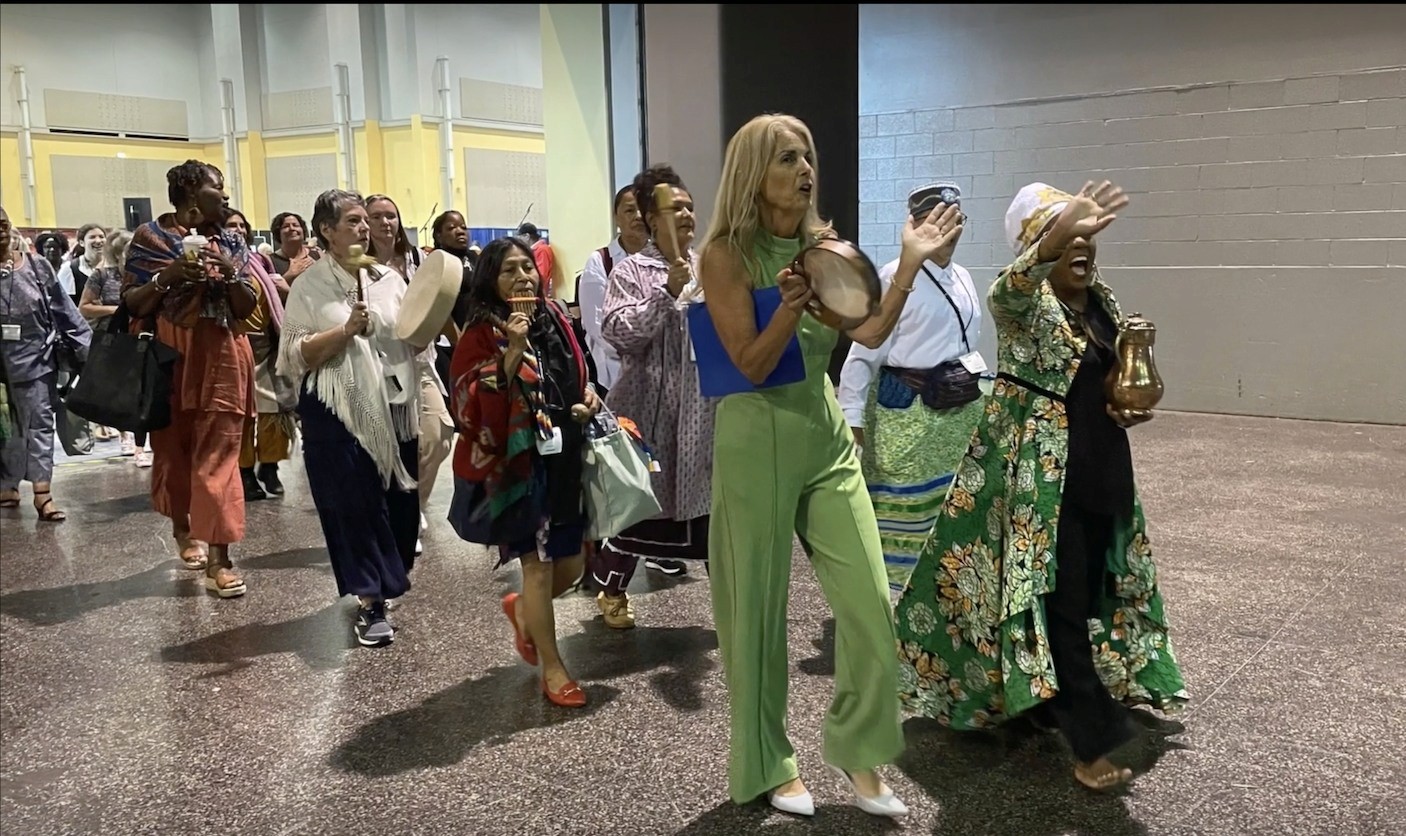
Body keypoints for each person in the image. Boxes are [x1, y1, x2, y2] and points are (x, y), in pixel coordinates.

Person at [697, 113, 961, 818]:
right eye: (787, 159)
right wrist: (787, 310)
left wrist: (904, 264)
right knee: (754, 613)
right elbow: (750, 365)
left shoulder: (826, 247)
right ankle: (767, 763)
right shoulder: (725, 254)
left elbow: (869, 329)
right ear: (756, 173)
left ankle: (859, 750)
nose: (804, 169)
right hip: (755, 436)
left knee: (873, 604)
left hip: (821, 436)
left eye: (808, 155)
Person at [893, 181, 1189, 791]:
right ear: (1038, 247)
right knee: (1060, 599)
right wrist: (1063, 227)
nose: (1082, 245)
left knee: (1090, 592)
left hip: (1101, 465)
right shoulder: (1019, 301)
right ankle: (1091, 740)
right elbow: (1018, 280)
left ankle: (1043, 698)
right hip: (1039, 485)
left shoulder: (1098, 301)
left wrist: (1125, 403)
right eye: (1065, 235)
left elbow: (1105, 376)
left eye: (1087, 235)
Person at [449, 236, 602, 707]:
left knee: (574, 565)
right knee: (537, 569)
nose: (522, 278)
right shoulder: (480, 332)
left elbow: (582, 367)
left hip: (565, 457)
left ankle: (523, 616)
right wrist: (511, 352)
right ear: (491, 283)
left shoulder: (555, 315)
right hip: (516, 468)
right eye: (508, 271)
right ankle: (553, 670)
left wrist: (590, 393)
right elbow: (467, 405)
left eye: (526, 269)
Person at [277, 189, 422, 647]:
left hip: (395, 405)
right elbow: (295, 354)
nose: (365, 229)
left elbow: (415, 338)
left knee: (400, 507)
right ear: (327, 231)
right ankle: (369, 600)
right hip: (336, 411)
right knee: (353, 508)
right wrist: (344, 331)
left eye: (366, 221)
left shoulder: (389, 279)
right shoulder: (309, 285)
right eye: (354, 222)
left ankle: (387, 580)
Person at [837, 184, 986, 593]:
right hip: (906, 416)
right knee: (902, 514)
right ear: (916, 225)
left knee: (949, 511)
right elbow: (862, 355)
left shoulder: (966, 278)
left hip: (957, 415)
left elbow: (968, 346)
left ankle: (943, 596)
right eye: (938, 221)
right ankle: (893, 603)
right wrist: (852, 424)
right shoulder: (892, 277)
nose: (949, 232)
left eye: (956, 222)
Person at [122, 160, 257, 597]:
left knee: (218, 459)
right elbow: (134, 303)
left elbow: (245, 306)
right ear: (191, 195)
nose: (227, 196)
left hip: (221, 351)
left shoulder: (232, 240)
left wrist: (230, 271)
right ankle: (184, 529)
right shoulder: (150, 239)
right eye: (219, 189)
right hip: (169, 352)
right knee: (175, 454)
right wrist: (170, 275)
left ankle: (220, 558)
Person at [591, 164, 713, 628]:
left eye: (689, 207)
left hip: (704, 414)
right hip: (649, 413)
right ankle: (612, 589)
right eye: (673, 208)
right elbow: (620, 334)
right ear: (648, 217)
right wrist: (666, 292)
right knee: (642, 509)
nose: (685, 216)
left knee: (710, 513)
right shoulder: (631, 271)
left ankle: (731, 601)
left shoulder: (712, 267)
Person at [368, 194, 453, 552]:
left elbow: (439, 304)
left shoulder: (419, 259)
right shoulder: (360, 267)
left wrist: (457, 343)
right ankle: (394, 514)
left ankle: (413, 504)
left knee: (439, 434)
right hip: (380, 368)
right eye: (377, 217)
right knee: (391, 444)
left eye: (392, 215)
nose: (386, 223)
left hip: (421, 361)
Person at [0, 205, 91, 522]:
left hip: (36, 360)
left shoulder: (37, 267)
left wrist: (89, 348)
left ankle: (43, 495)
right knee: (6, 427)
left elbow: (66, 311)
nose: (0, 229)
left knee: (39, 426)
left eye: (4, 223)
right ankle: (6, 484)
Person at [224, 209, 295, 500]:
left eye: (242, 226)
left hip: (267, 347)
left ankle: (270, 466)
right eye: (231, 225)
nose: (238, 230)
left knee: (273, 413)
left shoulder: (260, 261)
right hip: (233, 348)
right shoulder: (216, 262)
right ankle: (244, 472)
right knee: (242, 417)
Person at [574, 184, 648, 393]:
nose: (638, 216)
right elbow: (597, 326)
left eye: (644, 209)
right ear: (616, 217)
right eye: (630, 210)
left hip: (657, 375)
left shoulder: (662, 261)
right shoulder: (600, 261)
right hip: (613, 375)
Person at [268, 212, 320, 282]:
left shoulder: (317, 255)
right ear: (278, 233)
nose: (292, 228)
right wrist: (289, 275)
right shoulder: (270, 261)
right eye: (286, 226)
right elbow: (269, 290)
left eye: (296, 225)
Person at [516, 222, 557, 299]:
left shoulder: (542, 250)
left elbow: (542, 274)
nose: (519, 241)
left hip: (540, 294)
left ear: (527, 236)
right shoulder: (534, 250)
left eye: (520, 237)